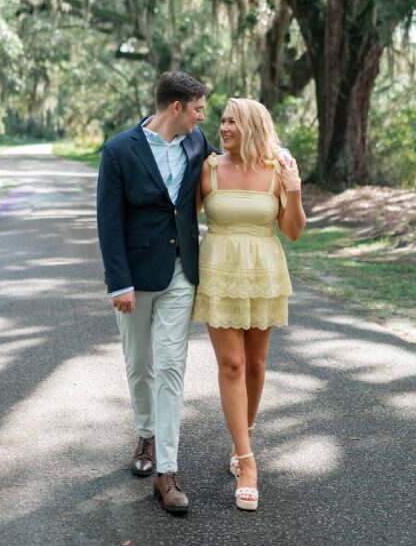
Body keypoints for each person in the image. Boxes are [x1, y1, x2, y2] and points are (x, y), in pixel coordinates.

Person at [96, 71, 217, 515]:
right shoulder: (118, 150)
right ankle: (144, 433)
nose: (202, 117)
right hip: (134, 276)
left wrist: (273, 157)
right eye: (199, 108)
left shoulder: (197, 142)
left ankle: (166, 471)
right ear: (176, 108)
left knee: (170, 367)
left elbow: (228, 165)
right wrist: (119, 283)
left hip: (181, 271)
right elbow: (108, 221)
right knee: (138, 364)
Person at [192, 97, 306, 512]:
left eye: (232, 122)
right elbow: (182, 220)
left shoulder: (278, 171)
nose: (223, 128)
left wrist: (293, 192)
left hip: (264, 272)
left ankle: (245, 436)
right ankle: (247, 462)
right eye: (221, 120)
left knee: (256, 364)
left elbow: (292, 231)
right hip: (219, 273)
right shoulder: (207, 170)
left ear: (254, 126)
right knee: (233, 364)